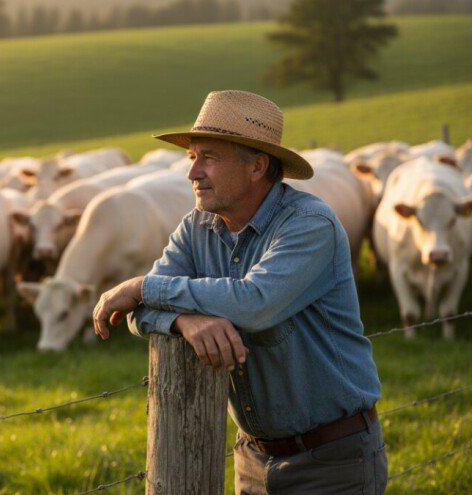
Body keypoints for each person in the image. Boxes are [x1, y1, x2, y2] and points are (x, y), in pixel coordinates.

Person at [92, 90, 387, 494]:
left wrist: (142, 285)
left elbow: (255, 303)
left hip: (331, 461)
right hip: (252, 460)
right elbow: (136, 313)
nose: (193, 173)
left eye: (209, 158)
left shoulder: (309, 224)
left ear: (257, 166)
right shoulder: (196, 228)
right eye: (191, 157)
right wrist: (183, 320)